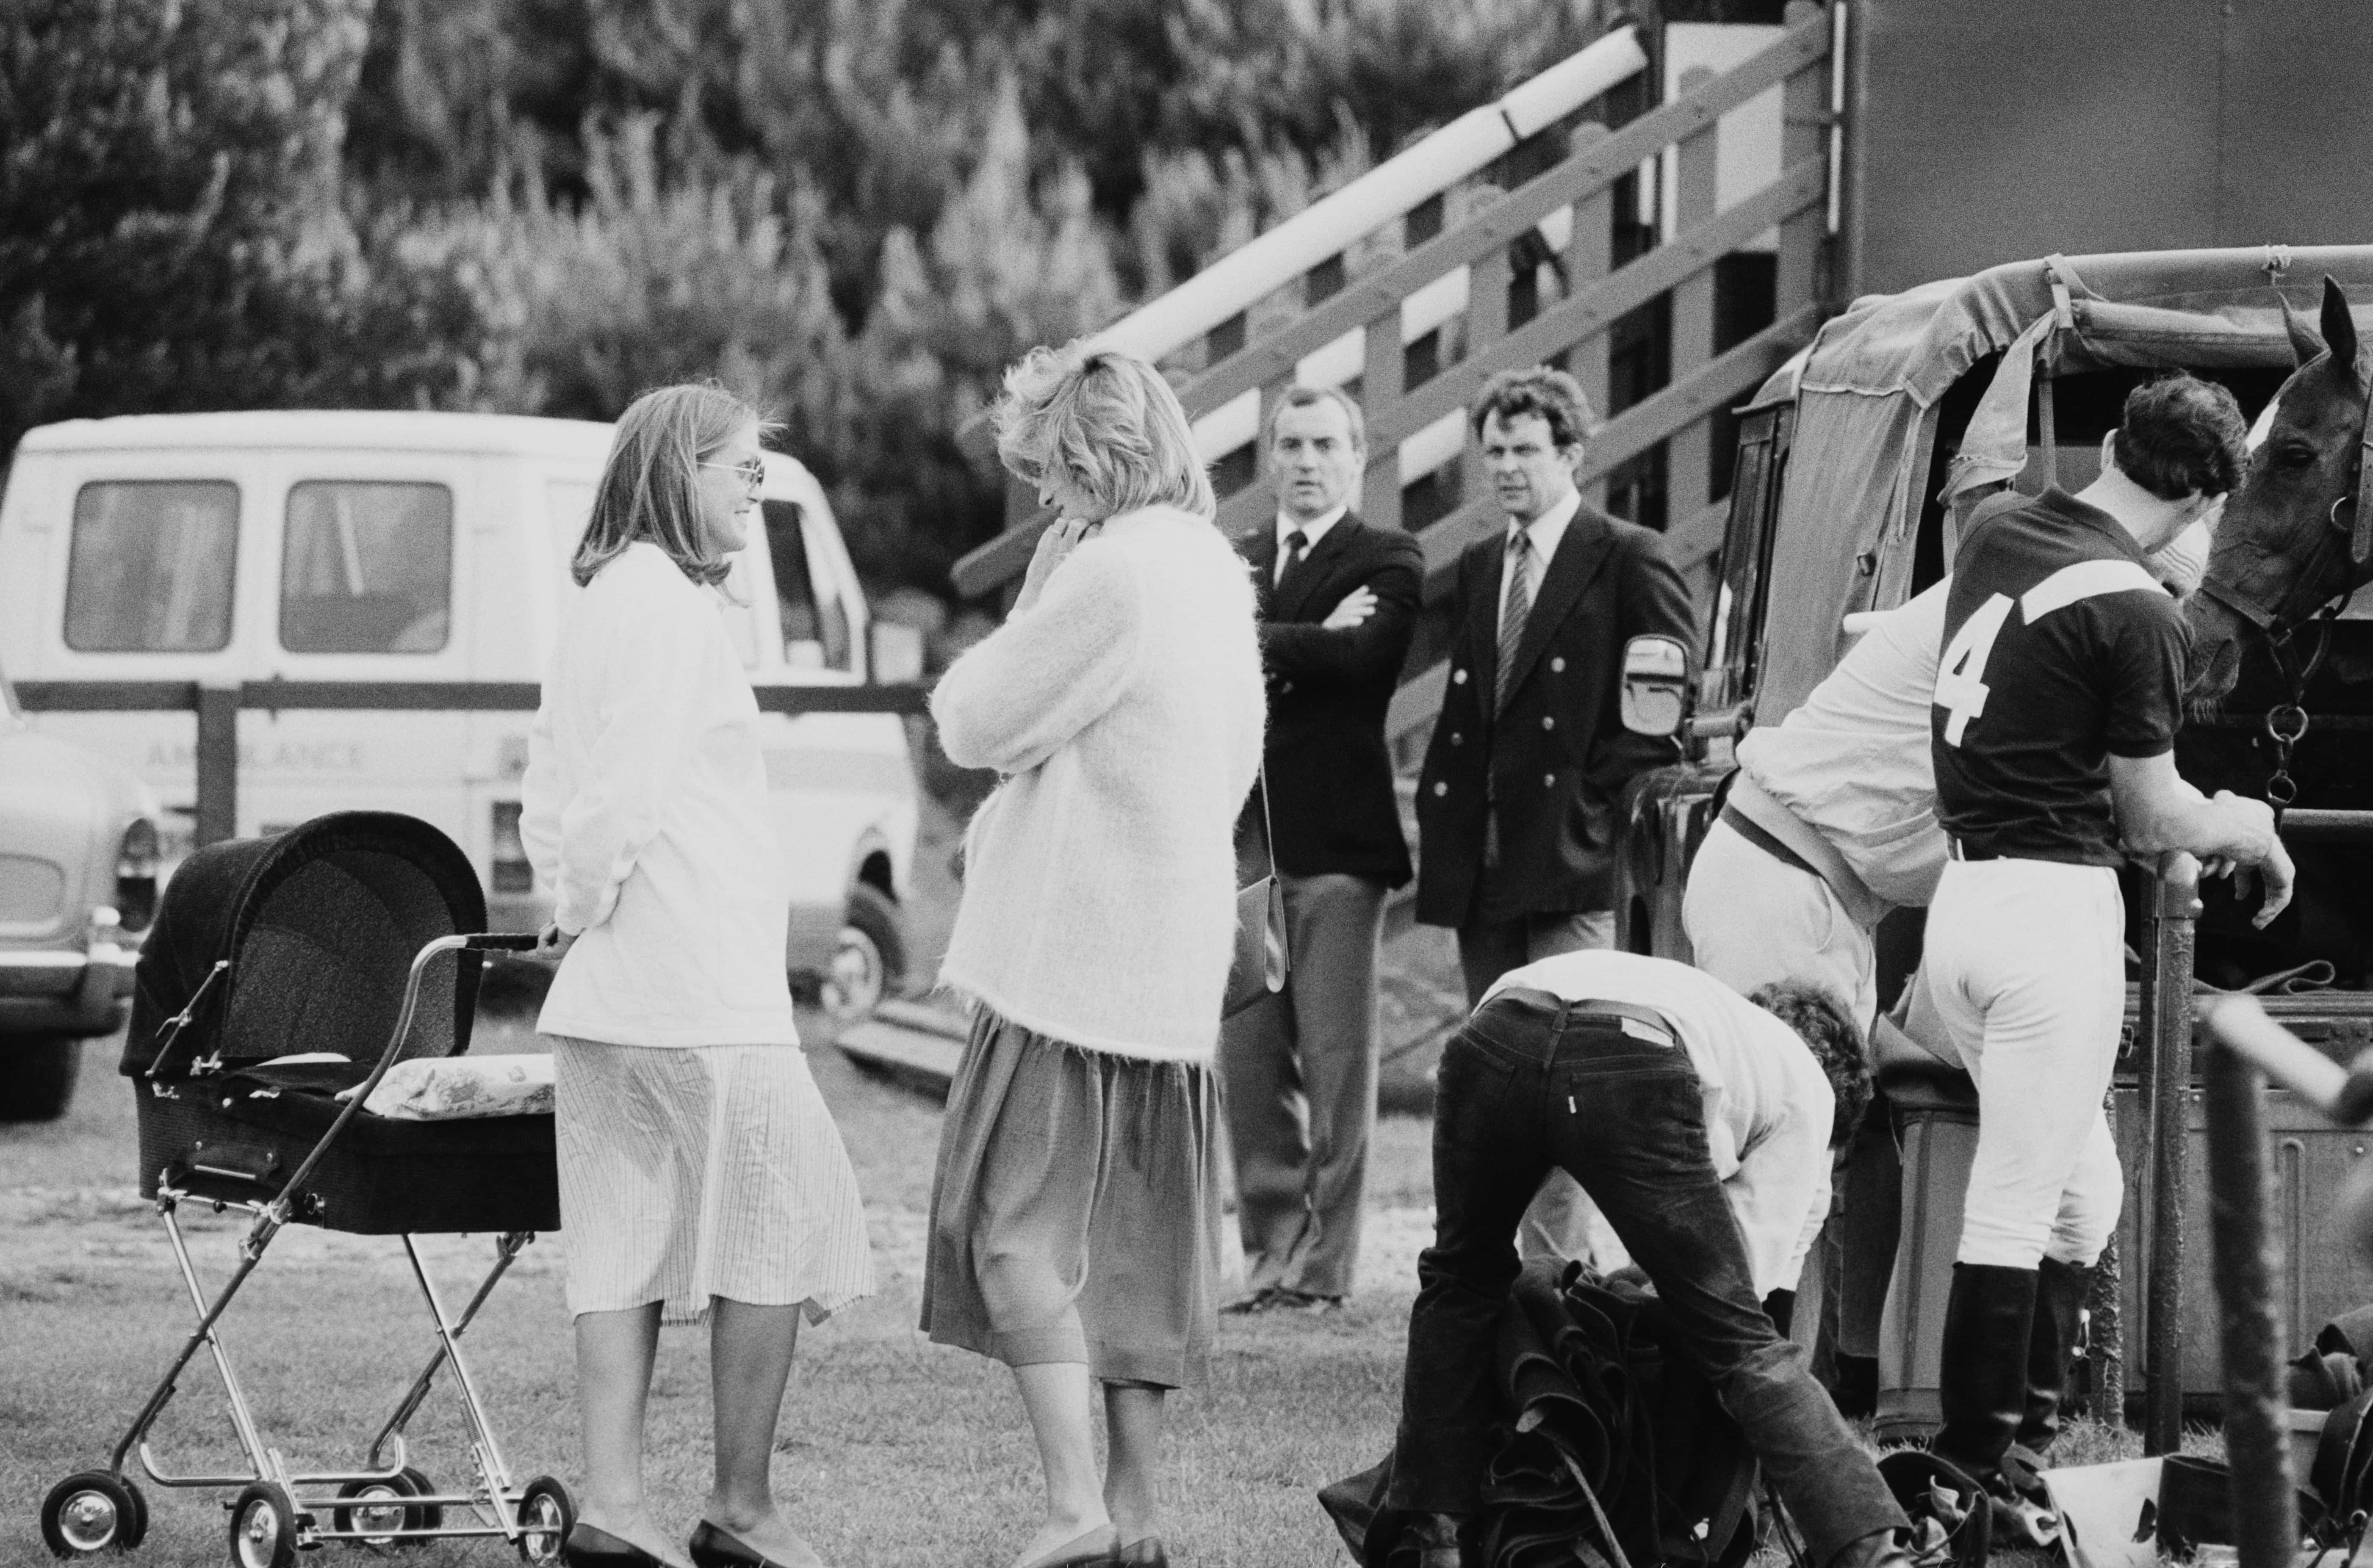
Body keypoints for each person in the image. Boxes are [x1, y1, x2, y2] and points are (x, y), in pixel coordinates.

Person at [1914, 373, 2293, 1534]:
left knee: (2088, 1198)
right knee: (2018, 1204)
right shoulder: (2141, 611)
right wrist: (2251, 825)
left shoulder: (1998, 528)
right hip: (2048, 914)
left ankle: (2025, 1441)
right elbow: (2152, 819)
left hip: (1962, 908)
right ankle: (1972, 1475)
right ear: (2201, 501)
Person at [920, 340, 1265, 1568]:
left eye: (1046, 473)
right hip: (1170, 965)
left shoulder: (1113, 575)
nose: (1039, 501)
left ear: (1085, 458)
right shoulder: (1215, 571)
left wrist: (1034, 598)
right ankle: (1134, 1516)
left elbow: (976, 720)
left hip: (1076, 960)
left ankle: (1071, 1511)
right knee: (1128, 1253)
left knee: (1008, 1236)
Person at [520, 383, 875, 1568]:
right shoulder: (669, 609)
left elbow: (546, 793)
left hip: (618, 990)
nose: (754, 490)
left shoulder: (598, 603)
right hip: (697, 986)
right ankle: (741, 1506)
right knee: (774, 1219)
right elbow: (612, 798)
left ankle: (615, 1502)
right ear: (679, 471)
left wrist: (578, 917)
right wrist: (602, 903)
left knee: (622, 1236)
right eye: (738, 471)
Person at [1386, 949, 1913, 1568]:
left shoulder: (1711, 1013)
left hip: (1500, 1026)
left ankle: (1439, 1538)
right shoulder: (1810, 1091)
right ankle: (1873, 1546)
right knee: (1740, 1341)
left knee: (1460, 1280)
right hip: (1629, 1056)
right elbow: (1748, 1301)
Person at [1413, 365, 1697, 1264]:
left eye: (1526, 450)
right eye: (1493, 451)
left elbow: (1659, 706)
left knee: (1567, 1071)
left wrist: (1594, 809)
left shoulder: (1629, 556)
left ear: (1573, 452)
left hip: (1574, 860)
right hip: (1484, 857)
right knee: (1496, 1073)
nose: (1506, 467)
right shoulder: (1481, 563)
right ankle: (1503, 1279)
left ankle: (1561, 1281)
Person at [1220, 384, 1423, 1314]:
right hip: (1243, 854)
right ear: (1270, 460)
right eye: (1290, 444)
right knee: (1251, 1070)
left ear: (1358, 456)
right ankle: (1268, 1254)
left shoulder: (1389, 556)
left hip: (1340, 851)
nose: (1306, 461)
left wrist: (1256, 644)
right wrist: (1303, 641)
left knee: (1340, 1075)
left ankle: (1325, 1268)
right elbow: (1217, 655)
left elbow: (1365, 662)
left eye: (1325, 444)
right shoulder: (1238, 560)